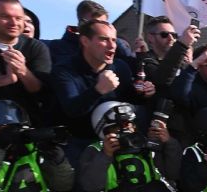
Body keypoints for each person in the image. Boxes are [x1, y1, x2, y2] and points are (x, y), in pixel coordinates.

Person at [52, 19, 147, 163]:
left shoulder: (120, 67)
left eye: (114, 40)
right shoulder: (64, 70)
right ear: (85, 41)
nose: (112, 46)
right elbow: (72, 109)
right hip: (78, 144)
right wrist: (97, 90)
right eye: (104, 39)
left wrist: (144, 93)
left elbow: (131, 99)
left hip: (116, 141)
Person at [47, 0, 136, 72]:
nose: (103, 28)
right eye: (97, 23)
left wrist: (140, 57)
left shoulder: (118, 47)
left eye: (105, 23)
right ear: (81, 24)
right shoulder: (57, 48)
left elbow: (134, 72)